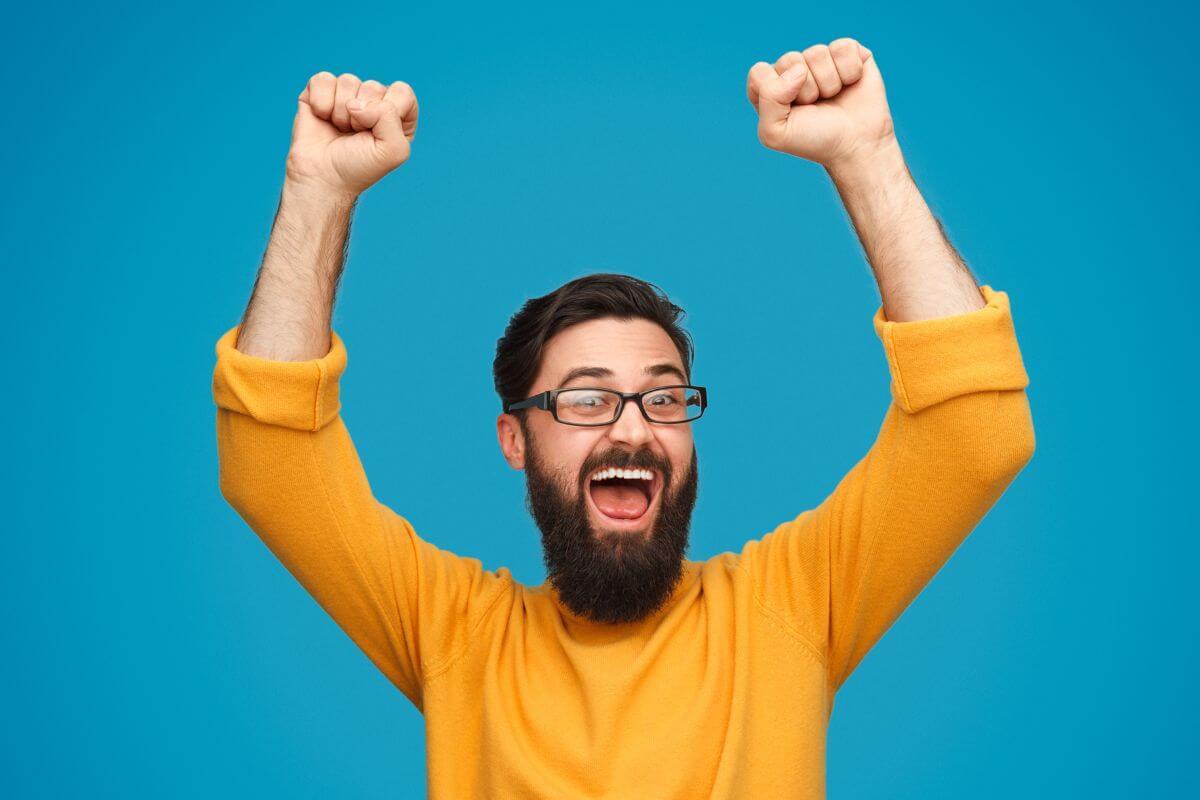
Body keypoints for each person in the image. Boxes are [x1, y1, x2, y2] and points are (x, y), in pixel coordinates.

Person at [213, 37, 1035, 799]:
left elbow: (972, 432)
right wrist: (316, 193)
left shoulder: (789, 606)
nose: (633, 429)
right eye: (586, 398)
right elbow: (274, 466)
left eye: (664, 396)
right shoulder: (457, 633)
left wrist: (868, 158)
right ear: (515, 437)